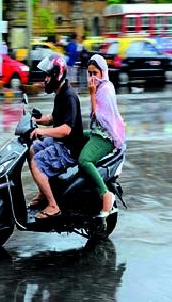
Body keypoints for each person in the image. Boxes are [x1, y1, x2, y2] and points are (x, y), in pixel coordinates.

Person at [28, 53, 85, 220]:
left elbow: (66, 129)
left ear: (56, 75)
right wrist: (37, 120)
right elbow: (54, 118)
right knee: (32, 150)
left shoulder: (69, 96)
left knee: (37, 163)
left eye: (47, 75)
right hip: (60, 142)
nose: (44, 79)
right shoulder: (60, 92)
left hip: (69, 148)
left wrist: (42, 131)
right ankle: (43, 192)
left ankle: (53, 205)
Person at [78, 54, 126, 217]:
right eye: (89, 73)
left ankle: (105, 193)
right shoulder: (100, 87)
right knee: (73, 137)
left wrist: (91, 94)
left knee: (84, 160)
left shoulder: (105, 89)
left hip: (105, 137)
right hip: (96, 132)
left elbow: (97, 116)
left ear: (102, 72)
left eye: (95, 73)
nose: (92, 77)